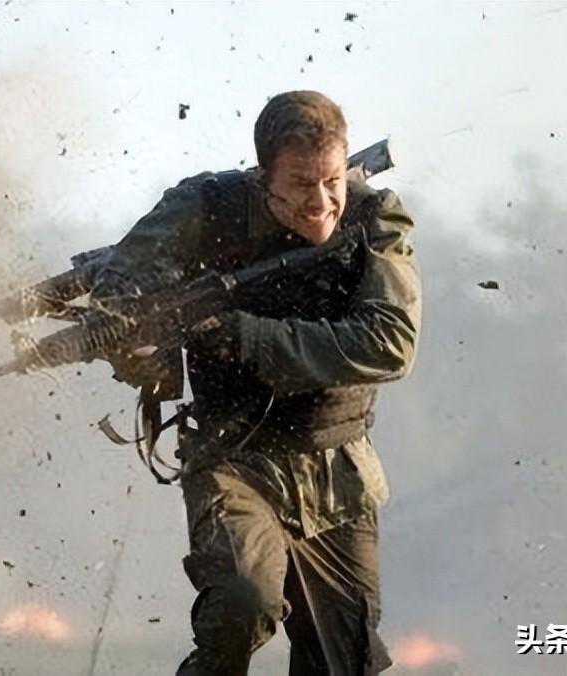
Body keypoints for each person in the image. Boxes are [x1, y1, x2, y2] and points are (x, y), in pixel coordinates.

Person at [89, 91, 421, 675]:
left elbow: (389, 343)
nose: (321, 202)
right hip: (231, 457)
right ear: (263, 175)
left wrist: (243, 336)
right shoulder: (206, 208)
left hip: (335, 473)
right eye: (301, 184)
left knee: (344, 662)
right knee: (243, 604)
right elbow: (117, 292)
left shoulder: (375, 220)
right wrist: (143, 350)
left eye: (332, 181)